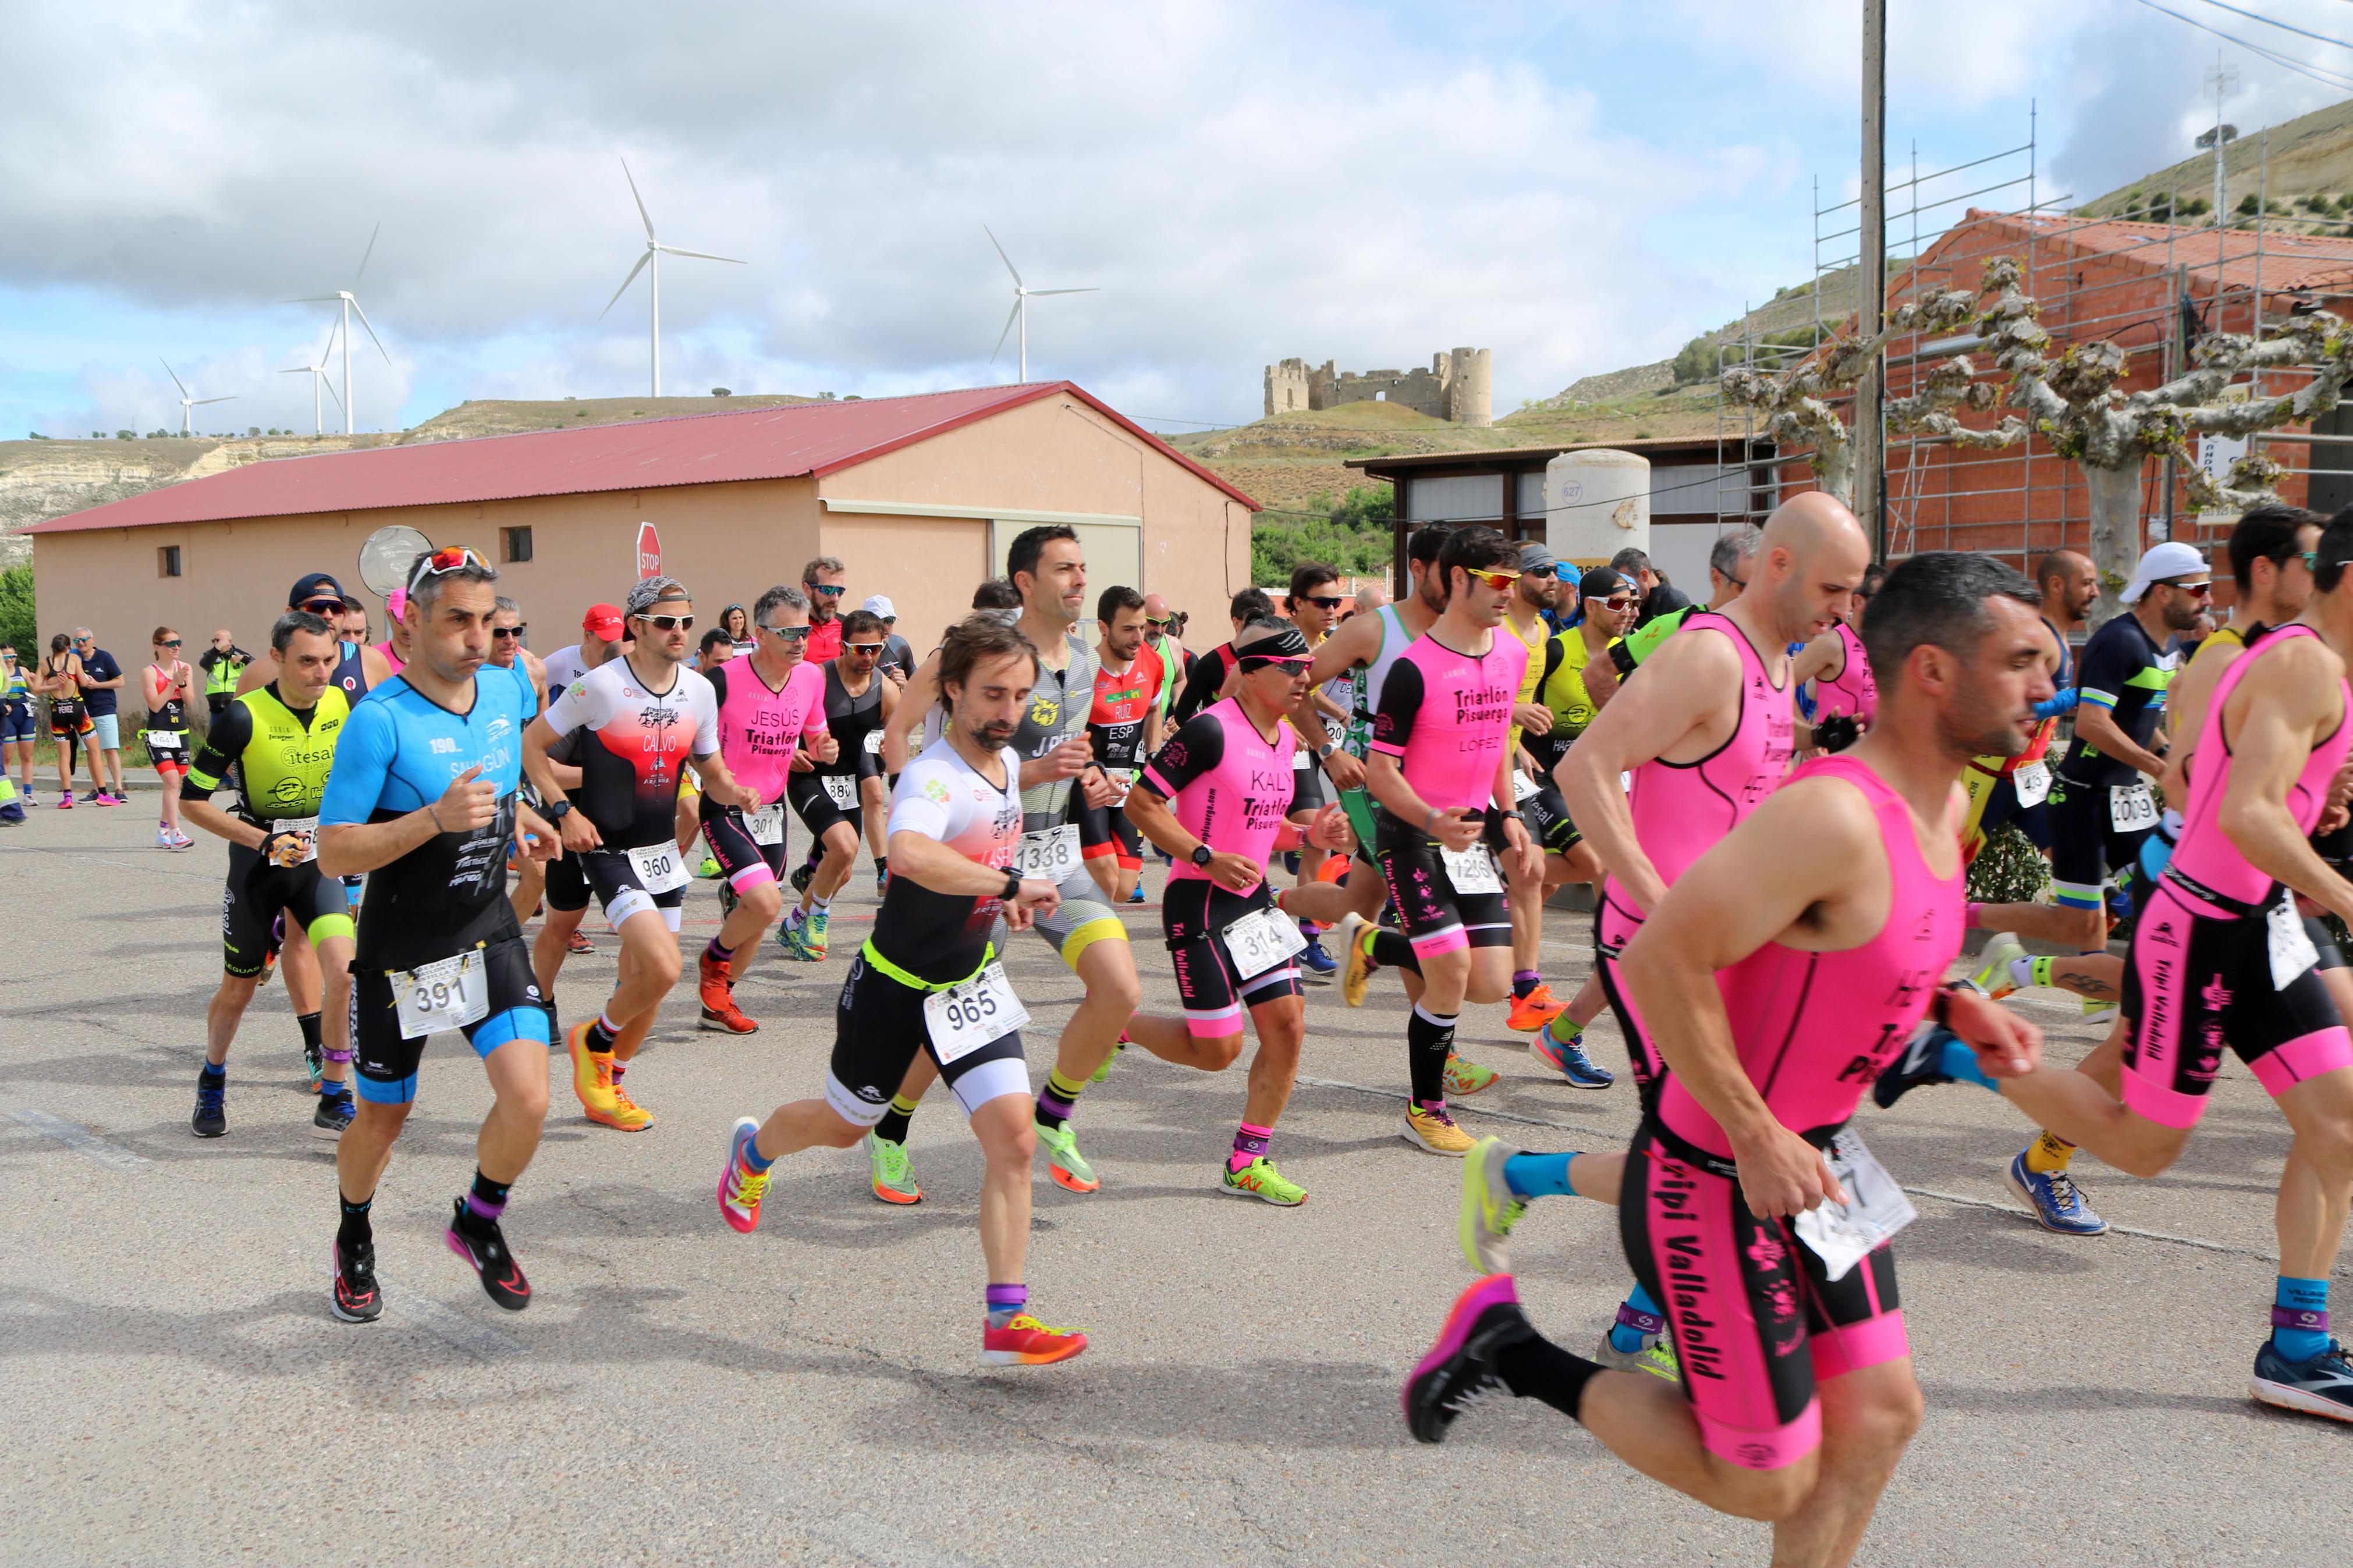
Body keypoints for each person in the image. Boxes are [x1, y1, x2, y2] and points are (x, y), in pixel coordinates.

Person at [1410, 552, 2052, 1565]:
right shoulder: (1778, 739)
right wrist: (1750, 1123)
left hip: (1817, 1150)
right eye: (2019, 661)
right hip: (1714, 1143)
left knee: (1881, 1416)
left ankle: (1537, 1192)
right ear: (1933, 670)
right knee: (1763, 1472)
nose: (2045, 686)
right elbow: (1645, 919)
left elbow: (1865, 928)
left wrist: (1951, 999)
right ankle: (1516, 1347)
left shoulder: (1911, 790)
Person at [1878, 513, 2353, 1423]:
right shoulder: (2299, 663)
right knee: (2142, 1144)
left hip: (2259, 922)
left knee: (2337, 1125)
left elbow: (2211, 783)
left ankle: (2296, 1348)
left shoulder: (2305, 661)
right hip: (2204, 927)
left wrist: (2308, 807)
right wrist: (2340, 888)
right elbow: (2243, 812)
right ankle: (1951, 1050)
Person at [714, 614, 1088, 1366]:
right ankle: (752, 1155)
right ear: (952, 692)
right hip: (894, 989)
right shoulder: (931, 775)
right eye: (992, 694)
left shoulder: (1004, 762)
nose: (1008, 710)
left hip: (968, 983)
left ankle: (1006, 1318)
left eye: (1019, 695)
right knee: (842, 1126)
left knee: (1014, 1142)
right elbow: (912, 853)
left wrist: (1009, 880)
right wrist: (1006, 885)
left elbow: (990, 825)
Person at [1549, 492, 1864, 1379]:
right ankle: (1651, 1333)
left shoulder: (1778, 659)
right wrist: (1656, 902)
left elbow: (1740, 791)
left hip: (1726, 940)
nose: (1843, 610)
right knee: (1713, 1143)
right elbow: (1585, 765)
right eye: (1832, 589)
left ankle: (1524, 1185)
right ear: (1776, 565)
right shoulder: (1706, 654)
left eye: (1852, 592)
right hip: (1655, 948)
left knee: (1716, 1139)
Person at [1967, 508, 2323, 1237]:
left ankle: (2018, 990)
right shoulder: (2196, 651)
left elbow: (2168, 736)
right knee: (2096, 950)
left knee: (2122, 984)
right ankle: (1986, 973)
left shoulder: (2201, 651)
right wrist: (2167, 767)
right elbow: (2143, 750)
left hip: (2202, 862)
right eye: (2191, 589)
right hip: (2127, 827)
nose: (2201, 599)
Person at [315, 546, 558, 1324]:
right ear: (411, 623)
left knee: (529, 1097)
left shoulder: (505, 689)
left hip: (488, 930)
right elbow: (333, 850)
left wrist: (523, 818)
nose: (477, 637)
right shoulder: (378, 720)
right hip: (404, 954)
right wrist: (432, 819)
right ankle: (354, 1232)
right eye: (458, 620)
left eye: (487, 620)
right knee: (383, 1119)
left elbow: (498, 775)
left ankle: (478, 1219)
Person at [871, 527, 1140, 1201]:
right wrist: (916, 816)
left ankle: (1053, 1115)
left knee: (1120, 989)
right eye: (1064, 569)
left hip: (1054, 855)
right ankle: (890, 1130)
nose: (1080, 580)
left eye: (1082, 567)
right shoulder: (969, 654)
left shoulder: (1084, 662)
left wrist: (1090, 778)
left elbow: (1064, 751)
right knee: (954, 1016)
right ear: (1025, 581)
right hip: (983, 861)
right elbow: (899, 731)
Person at [1119, 618, 1355, 1204]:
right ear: (1251, 673)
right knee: (1216, 1051)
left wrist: (1308, 835)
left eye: (1308, 668)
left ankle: (1247, 1161)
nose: (1304, 679)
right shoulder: (1209, 730)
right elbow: (1141, 804)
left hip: (1252, 902)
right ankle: (1117, 1027)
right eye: (1291, 668)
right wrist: (1203, 856)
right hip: (1198, 900)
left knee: (1288, 1027)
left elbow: (1261, 827)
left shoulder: (1286, 739)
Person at [527, 575, 755, 1132]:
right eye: (665, 622)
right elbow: (530, 746)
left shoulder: (698, 690)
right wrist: (564, 811)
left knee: (649, 983)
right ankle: (594, 1040)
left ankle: (610, 1085)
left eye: (685, 621)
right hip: (607, 850)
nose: (679, 631)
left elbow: (710, 768)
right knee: (663, 965)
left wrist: (735, 790)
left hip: (661, 853)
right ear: (635, 626)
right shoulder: (599, 687)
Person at [1356, 524, 1542, 1155]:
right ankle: (1425, 1110)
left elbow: (1496, 744)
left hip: (1471, 834)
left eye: (1513, 581)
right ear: (1458, 578)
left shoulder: (1511, 652)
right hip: (1411, 832)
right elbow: (1381, 772)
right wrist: (1431, 820)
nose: (1508, 593)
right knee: (1450, 973)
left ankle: (1375, 942)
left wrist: (1508, 813)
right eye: (1497, 581)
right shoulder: (1412, 669)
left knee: (1488, 983)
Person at [180, 610, 360, 1139]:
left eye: (328, 660)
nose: (321, 671)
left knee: (345, 973)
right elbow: (192, 802)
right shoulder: (243, 716)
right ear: (277, 657)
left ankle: (334, 1094)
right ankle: (213, 1078)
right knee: (238, 990)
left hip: (317, 865)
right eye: (307, 661)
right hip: (258, 866)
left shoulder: (341, 703)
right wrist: (263, 840)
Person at [695, 585, 835, 1031]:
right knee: (765, 899)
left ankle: (719, 1002)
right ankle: (713, 960)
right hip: (725, 805)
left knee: (760, 915)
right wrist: (726, 783)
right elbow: (692, 746)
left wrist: (823, 747)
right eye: (788, 632)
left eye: (804, 631)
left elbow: (815, 734)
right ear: (759, 634)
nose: (800, 641)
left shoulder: (811, 677)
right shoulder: (722, 680)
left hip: (772, 809)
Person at [1518, 566, 1634, 1084]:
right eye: (1618, 603)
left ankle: (1513, 879)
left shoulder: (1626, 656)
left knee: (1557, 879)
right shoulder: (1555, 650)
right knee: (1597, 864)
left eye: (1633, 603)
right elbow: (1509, 697)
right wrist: (1517, 740)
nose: (1628, 612)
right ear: (1590, 604)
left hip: (1594, 780)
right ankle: (1607, 961)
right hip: (1542, 776)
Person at [777, 608, 893, 959]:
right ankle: (818, 918)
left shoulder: (886, 690)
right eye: (860, 649)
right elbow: (778, 718)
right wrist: (787, 751)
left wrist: (891, 745)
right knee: (843, 848)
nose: (868, 657)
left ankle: (794, 923)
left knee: (841, 872)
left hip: (846, 781)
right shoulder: (816, 677)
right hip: (808, 777)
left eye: (875, 649)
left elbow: (898, 733)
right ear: (843, 647)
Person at [1496, 541, 1574, 1036]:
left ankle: (1521, 978)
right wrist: (1513, 715)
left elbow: (1519, 696)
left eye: (1555, 571)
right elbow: (1470, 695)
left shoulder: (1543, 630)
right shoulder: (1494, 628)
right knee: (1530, 870)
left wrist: (1518, 742)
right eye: (1542, 570)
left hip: (1508, 760)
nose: (1553, 579)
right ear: (1517, 578)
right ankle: (1525, 989)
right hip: (1472, 762)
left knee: (1553, 869)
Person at [1069, 585, 1163, 907]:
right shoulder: (1082, 670)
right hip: (1088, 784)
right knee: (1108, 879)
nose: (1138, 638)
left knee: (1124, 888)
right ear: (1103, 628)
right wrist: (1091, 771)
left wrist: (1153, 756)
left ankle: (1069, 889)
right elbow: (1069, 732)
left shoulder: (1152, 662)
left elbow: (1154, 710)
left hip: (1127, 783)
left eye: (1142, 628)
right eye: (1128, 630)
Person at [1279, 563, 1348, 973]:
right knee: (1249, 843)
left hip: (1299, 752)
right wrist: (1283, 730)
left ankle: (1306, 940)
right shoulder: (1276, 638)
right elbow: (1236, 694)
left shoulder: (1324, 645)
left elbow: (1309, 691)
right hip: (1259, 750)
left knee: (1317, 837)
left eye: (1335, 601)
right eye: (1323, 602)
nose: (1332, 609)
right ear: (1298, 603)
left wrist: (1337, 711)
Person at [488, 596, 552, 927]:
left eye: (516, 631)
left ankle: (498, 940)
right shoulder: (464, 675)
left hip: (519, 790)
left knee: (538, 872)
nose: (510, 640)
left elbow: (540, 731)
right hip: (479, 788)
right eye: (500, 632)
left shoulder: (533, 669)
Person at [142, 628, 197, 849]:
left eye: (178, 643)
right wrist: (172, 683)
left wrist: (182, 682)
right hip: (159, 734)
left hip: (180, 733)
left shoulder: (185, 668)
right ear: (157, 646)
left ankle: (163, 830)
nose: (176, 647)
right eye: (171, 644)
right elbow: (155, 705)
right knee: (172, 781)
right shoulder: (150, 672)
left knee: (176, 784)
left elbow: (190, 701)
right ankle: (176, 834)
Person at [69, 628, 126, 803]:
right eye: (77, 640)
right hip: (83, 711)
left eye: (85, 639)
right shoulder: (74, 659)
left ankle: (119, 789)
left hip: (105, 709)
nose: (81, 643)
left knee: (110, 749)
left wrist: (98, 685)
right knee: (90, 752)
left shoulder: (104, 657)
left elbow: (120, 681)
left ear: (93, 640)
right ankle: (96, 789)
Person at [37, 632, 91, 806]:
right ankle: (103, 793)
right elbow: (84, 683)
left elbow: (37, 689)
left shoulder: (45, 663)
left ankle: (67, 797)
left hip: (58, 712)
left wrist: (55, 685)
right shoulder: (74, 659)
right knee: (94, 751)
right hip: (77, 709)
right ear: (68, 648)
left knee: (63, 757)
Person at [1142, 592, 1187, 727]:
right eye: (1153, 623)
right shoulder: (1128, 649)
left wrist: (1178, 704)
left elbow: (1179, 680)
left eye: (1164, 624)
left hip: (1158, 728)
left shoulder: (1174, 646)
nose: (1159, 630)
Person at [2, 643, 38, 801]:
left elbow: (36, 690)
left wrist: (39, 679)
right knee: (6, 758)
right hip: (7, 717)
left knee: (27, 756)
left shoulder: (22, 671)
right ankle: (8, 796)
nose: (10, 660)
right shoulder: (1, 673)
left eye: (13, 656)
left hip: (25, 715)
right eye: (6, 657)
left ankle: (28, 794)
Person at [803, 555, 848, 662]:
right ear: (807, 590)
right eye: (827, 590)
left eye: (839, 591)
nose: (835, 598)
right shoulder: (794, 629)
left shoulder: (847, 627)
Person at [860, 595, 915, 681]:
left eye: (890, 620)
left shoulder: (900, 646)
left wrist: (905, 685)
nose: (886, 627)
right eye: (880, 621)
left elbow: (919, 685)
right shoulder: (852, 648)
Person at [200, 630, 251, 716]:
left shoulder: (239, 654)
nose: (216, 644)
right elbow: (204, 664)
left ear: (229, 642)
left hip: (235, 701)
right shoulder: (211, 655)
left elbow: (255, 666)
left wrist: (243, 659)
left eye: (219, 641)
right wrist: (216, 649)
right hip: (215, 704)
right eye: (214, 641)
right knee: (216, 725)